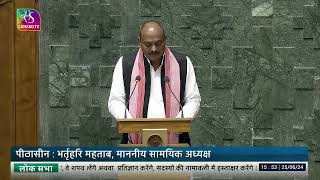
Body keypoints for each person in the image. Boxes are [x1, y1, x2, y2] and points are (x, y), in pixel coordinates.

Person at [108, 19, 201, 145]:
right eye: (148, 44)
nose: (153, 49)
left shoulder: (182, 63)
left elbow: (193, 99)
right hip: (134, 141)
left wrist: (178, 123)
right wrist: (131, 124)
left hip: (176, 140)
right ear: (139, 41)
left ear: (165, 39)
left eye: (158, 43)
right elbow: (115, 100)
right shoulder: (125, 64)